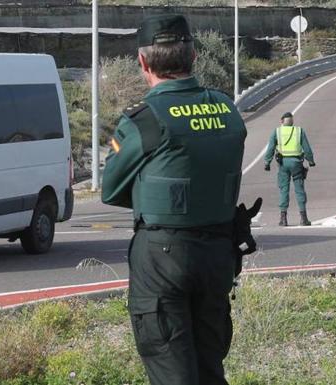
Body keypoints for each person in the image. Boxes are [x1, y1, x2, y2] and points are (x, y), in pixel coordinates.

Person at [101, 14, 249, 385]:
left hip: (162, 256)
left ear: (143, 62)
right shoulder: (226, 109)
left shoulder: (143, 119)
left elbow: (111, 188)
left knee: (171, 371)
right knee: (210, 369)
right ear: (195, 56)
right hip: (218, 254)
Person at [264, 112, 315, 226]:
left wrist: (267, 162)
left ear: (281, 121)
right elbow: (306, 148)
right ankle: (303, 218)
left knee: (283, 189)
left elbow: (270, 148)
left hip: (282, 164)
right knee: (299, 189)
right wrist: (311, 161)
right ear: (292, 122)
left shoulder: (277, 132)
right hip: (297, 163)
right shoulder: (299, 131)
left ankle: (283, 219)